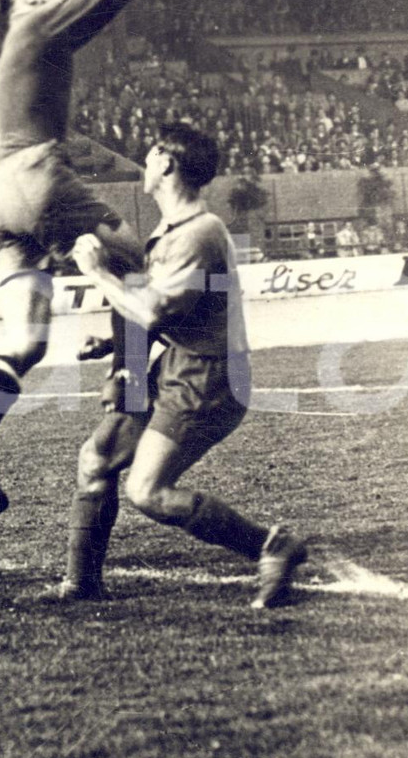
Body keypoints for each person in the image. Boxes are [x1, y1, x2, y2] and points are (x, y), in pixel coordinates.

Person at [0, 0, 209, 515]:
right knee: (138, 263)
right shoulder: (35, 22)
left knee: (27, 342)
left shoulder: (20, 45)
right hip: (37, 179)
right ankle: (127, 384)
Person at [48, 125, 311, 609]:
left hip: (208, 377)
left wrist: (98, 272)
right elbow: (168, 309)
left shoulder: (200, 233)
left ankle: (272, 545)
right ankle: (80, 583)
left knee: (147, 492)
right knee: (97, 457)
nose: (145, 162)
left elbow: (152, 311)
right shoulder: (171, 231)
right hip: (179, 365)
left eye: (150, 154)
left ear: (166, 164)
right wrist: (111, 341)